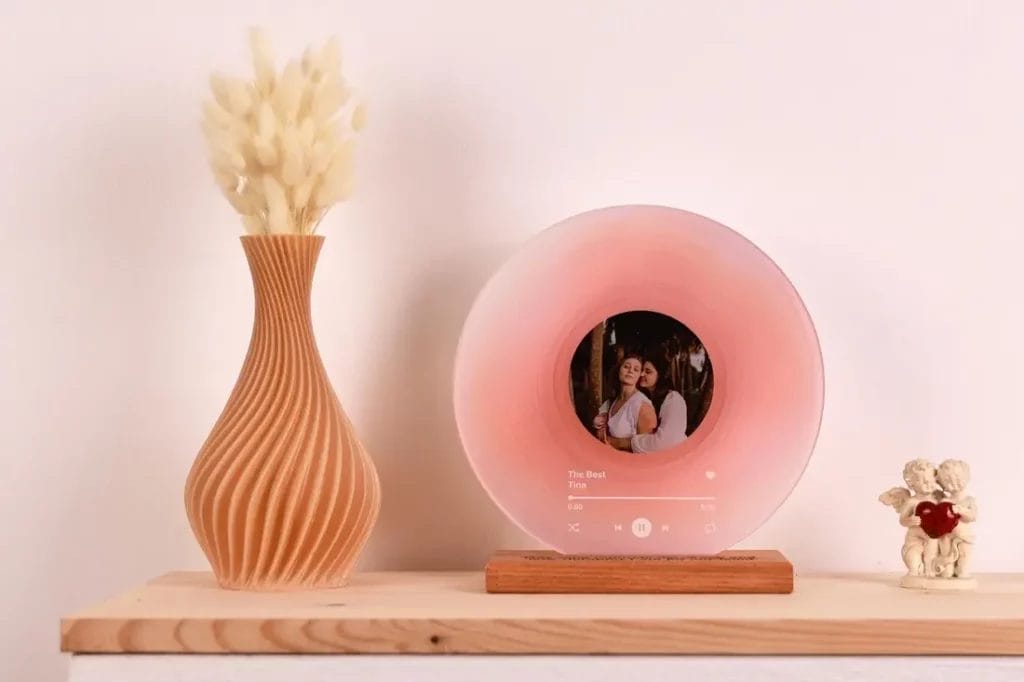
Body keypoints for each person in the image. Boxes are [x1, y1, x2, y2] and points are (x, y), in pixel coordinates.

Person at [605, 354, 688, 454]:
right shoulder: (644, 395)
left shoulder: (673, 399)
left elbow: (665, 441)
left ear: (660, 376)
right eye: (642, 370)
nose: (642, 374)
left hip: (673, 457)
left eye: (648, 372)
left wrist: (621, 443)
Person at [592, 354, 656, 443]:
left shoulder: (642, 405)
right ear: (619, 370)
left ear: (639, 376)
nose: (630, 371)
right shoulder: (611, 402)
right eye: (626, 367)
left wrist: (612, 442)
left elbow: (646, 446)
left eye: (636, 369)